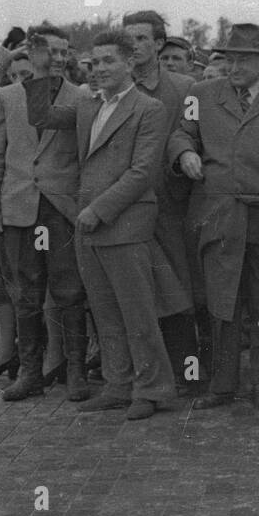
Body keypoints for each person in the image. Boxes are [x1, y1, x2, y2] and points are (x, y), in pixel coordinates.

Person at [26, 31, 177, 420]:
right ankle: (118, 385)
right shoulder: (88, 105)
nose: (100, 69)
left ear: (130, 64)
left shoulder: (149, 108)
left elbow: (142, 172)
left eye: (109, 61)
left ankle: (152, 389)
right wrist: (42, 70)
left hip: (123, 225)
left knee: (137, 313)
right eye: (95, 62)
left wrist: (98, 209)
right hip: (88, 227)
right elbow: (41, 116)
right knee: (106, 313)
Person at [167, 24, 259, 413]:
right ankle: (222, 383)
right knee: (222, 303)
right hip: (217, 216)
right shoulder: (200, 94)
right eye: (229, 59)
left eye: (243, 60)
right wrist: (185, 154)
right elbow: (182, 133)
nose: (234, 66)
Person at [0, 26, 89, 402]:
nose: (59, 58)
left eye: (64, 52)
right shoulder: (6, 97)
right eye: (50, 51)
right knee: (26, 293)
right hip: (19, 209)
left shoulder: (82, 97)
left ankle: (76, 372)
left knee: (69, 292)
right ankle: (30, 373)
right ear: (32, 52)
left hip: (61, 211)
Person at [121, 11, 201, 396]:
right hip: (125, 207)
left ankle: (187, 373)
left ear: (158, 44)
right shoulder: (114, 88)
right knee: (136, 293)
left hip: (172, 204)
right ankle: (143, 376)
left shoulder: (186, 88)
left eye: (140, 39)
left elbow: (196, 136)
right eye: (127, 39)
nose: (132, 46)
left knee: (179, 290)